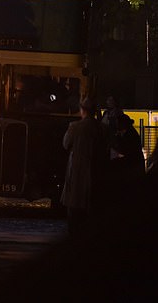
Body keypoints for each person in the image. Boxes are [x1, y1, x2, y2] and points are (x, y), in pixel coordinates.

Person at [61, 97, 108, 238]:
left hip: (77, 169)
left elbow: (65, 144)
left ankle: (74, 233)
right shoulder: (102, 128)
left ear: (83, 110)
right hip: (96, 170)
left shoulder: (75, 126)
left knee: (74, 204)